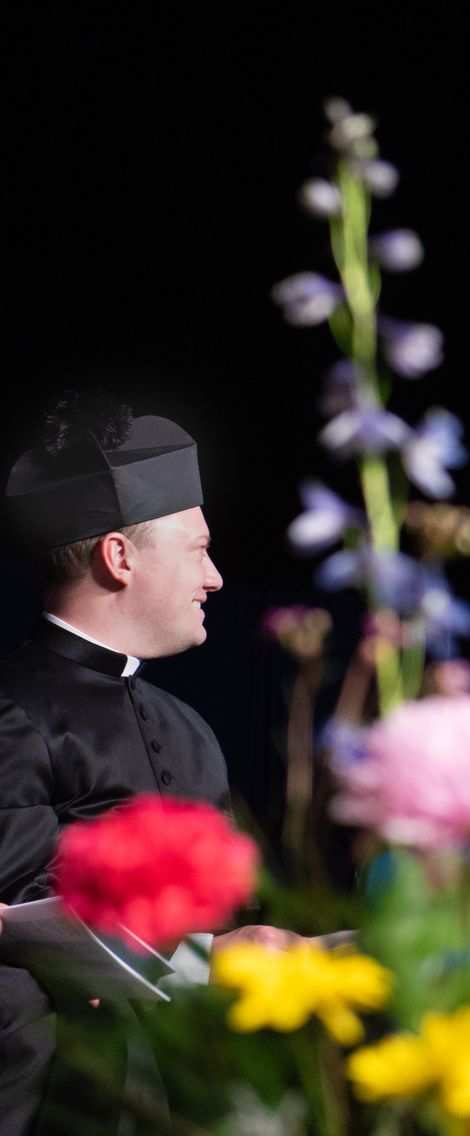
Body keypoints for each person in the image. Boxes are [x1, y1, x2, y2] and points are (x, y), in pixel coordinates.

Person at [0, 394, 281, 1133]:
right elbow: (27, 913)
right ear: (118, 557)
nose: (216, 577)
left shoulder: (189, 731)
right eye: (197, 549)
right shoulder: (10, 713)